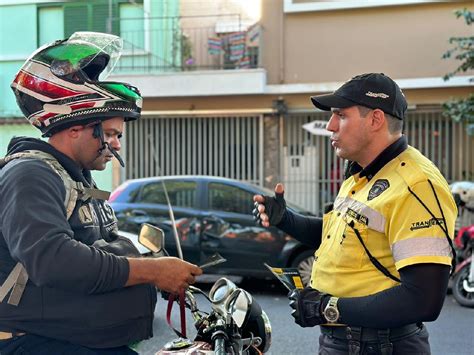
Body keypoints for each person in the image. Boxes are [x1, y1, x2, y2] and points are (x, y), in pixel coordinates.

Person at [0, 32, 202, 354]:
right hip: (34, 343)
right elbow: (54, 260)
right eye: (110, 134)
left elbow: (96, 247)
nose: (117, 145)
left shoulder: (74, 180)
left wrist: (149, 269)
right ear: (75, 128)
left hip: (77, 340)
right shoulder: (30, 174)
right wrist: (153, 271)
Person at [254, 73, 457, 355]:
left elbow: (424, 299)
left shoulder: (417, 185)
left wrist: (326, 308)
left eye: (341, 115)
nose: (330, 125)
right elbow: (339, 235)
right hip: (344, 341)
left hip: (381, 345)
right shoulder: (361, 173)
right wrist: (285, 218)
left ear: (375, 119)